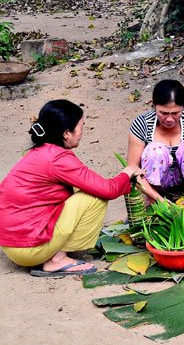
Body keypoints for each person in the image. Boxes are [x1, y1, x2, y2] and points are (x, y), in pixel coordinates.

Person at [0, 100, 143, 277]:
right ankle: (56, 259)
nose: (82, 132)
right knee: (94, 198)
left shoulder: (39, 152)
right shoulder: (58, 158)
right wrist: (127, 172)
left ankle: (51, 253)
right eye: (81, 126)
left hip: (13, 243)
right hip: (27, 249)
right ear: (67, 133)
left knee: (77, 190)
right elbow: (108, 189)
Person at [128, 80, 184, 214]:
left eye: (175, 113)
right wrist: (159, 199)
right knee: (155, 151)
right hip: (155, 188)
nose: (169, 119)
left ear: (183, 107)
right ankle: (153, 202)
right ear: (154, 106)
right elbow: (132, 170)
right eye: (163, 113)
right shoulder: (142, 124)